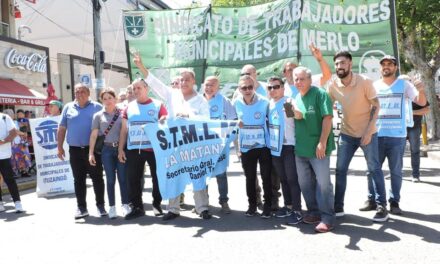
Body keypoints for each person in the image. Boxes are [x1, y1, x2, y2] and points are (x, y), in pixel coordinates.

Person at [133, 53, 212, 220]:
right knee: (174, 175)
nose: (183, 82)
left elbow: (206, 121)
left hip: (194, 144)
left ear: (194, 82)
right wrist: (141, 66)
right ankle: (173, 209)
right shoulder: (171, 94)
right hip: (174, 143)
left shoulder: (201, 101)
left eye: (187, 80)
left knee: (198, 174)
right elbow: (153, 82)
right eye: (181, 80)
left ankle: (202, 208)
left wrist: (189, 118)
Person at [328, 51, 388, 222]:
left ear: (350, 64)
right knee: (340, 170)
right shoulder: (332, 84)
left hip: (368, 132)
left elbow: (376, 106)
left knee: (374, 168)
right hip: (346, 134)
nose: (339, 66)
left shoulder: (364, 81)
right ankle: (338, 206)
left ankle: (382, 205)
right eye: (337, 63)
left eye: (343, 63)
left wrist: (369, 131)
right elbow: (327, 105)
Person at [367, 55, 427, 215]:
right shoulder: (374, 85)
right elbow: (368, 109)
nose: (386, 66)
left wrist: (421, 89)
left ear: (395, 67)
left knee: (395, 171)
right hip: (376, 135)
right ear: (380, 68)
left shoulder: (404, 84)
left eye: (390, 64)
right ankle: (372, 200)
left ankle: (394, 202)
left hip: (397, 136)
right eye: (383, 64)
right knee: (373, 170)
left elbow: (421, 102)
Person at [292, 66, 335, 233]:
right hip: (301, 149)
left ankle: (328, 218)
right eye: (296, 79)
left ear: (310, 80)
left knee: (323, 184)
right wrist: (294, 113)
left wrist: (322, 142)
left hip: (318, 148)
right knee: (305, 183)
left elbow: (327, 118)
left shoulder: (320, 94)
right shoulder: (296, 97)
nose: (299, 82)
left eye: (302, 79)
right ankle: (313, 212)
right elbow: (298, 118)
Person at [118, 79, 167, 220]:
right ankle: (137, 207)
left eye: (139, 87)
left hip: (154, 149)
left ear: (147, 89)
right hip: (134, 149)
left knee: (157, 178)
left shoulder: (158, 105)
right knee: (133, 179)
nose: (136, 91)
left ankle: (157, 204)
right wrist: (121, 149)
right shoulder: (129, 107)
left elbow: (166, 122)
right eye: (134, 88)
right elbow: (123, 130)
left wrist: (164, 119)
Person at [57, 84, 106, 220]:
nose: (79, 94)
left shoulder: (97, 106)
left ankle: (101, 206)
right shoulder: (68, 107)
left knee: (97, 179)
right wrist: (59, 147)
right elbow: (61, 128)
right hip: (75, 151)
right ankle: (81, 208)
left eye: (82, 91)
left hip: (93, 150)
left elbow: (107, 124)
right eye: (77, 92)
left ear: (88, 93)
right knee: (78, 180)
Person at [233, 74, 272, 218]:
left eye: (250, 87)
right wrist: (236, 122)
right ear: (239, 89)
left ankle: (268, 206)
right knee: (250, 178)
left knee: (266, 177)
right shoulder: (236, 103)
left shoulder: (264, 102)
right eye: (244, 87)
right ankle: (252, 205)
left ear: (254, 87)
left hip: (263, 146)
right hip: (246, 147)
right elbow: (231, 122)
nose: (248, 90)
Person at [266, 76, 303, 224]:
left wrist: (293, 110)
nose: (273, 90)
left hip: (288, 146)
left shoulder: (288, 101)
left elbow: (297, 117)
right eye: (270, 88)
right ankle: (288, 206)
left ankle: (297, 210)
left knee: (292, 179)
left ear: (282, 87)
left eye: (276, 87)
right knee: (283, 179)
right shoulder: (269, 104)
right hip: (275, 148)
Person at [89, 88, 130, 219]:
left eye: (110, 98)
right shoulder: (98, 116)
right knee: (110, 179)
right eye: (104, 98)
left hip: (120, 149)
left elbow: (124, 131)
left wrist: (120, 150)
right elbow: (94, 135)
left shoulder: (122, 113)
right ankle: (112, 207)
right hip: (106, 150)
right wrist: (91, 153)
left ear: (115, 98)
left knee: (123, 178)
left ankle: (125, 204)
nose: (107, 101)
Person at [203, 76, 237, 214]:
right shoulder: (197, 101)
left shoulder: (224, 101)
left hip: (220, 146)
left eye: (212, 85)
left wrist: (228, 141)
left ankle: (224, 201)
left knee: (221, 174)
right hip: (202, 147)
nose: (209, 87)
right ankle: (203, 203)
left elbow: (233, 122)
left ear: (218, 87)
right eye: (207, 85)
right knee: (202, 175)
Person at [399, 75, 430, 183]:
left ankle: (415, 174)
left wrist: (411, 113)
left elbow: (426, 109)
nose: (405, 84)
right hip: (399, 127)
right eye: (401, 82)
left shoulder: (417, 95)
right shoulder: (396, 95)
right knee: (396, 151)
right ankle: (396, 173)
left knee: (415, 151)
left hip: (414, 127)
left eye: (407, 81)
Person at [0, 111, 24, 213]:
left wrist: (3, 141)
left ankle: (17, 203)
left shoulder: (4, 118)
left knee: (9, 179)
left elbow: (13, 133)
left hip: (4, 155)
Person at [8, 109, 32, 178]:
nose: (10, 116)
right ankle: (14, 172)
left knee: (23, 157)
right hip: (12, 144)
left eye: (11, 114)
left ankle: (23, 171)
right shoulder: (6, 123)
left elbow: (25, 133)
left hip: (20, 143)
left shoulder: (17, 122)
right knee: (13, 158)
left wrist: (21, 133)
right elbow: (14, 131)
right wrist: (20, 133)